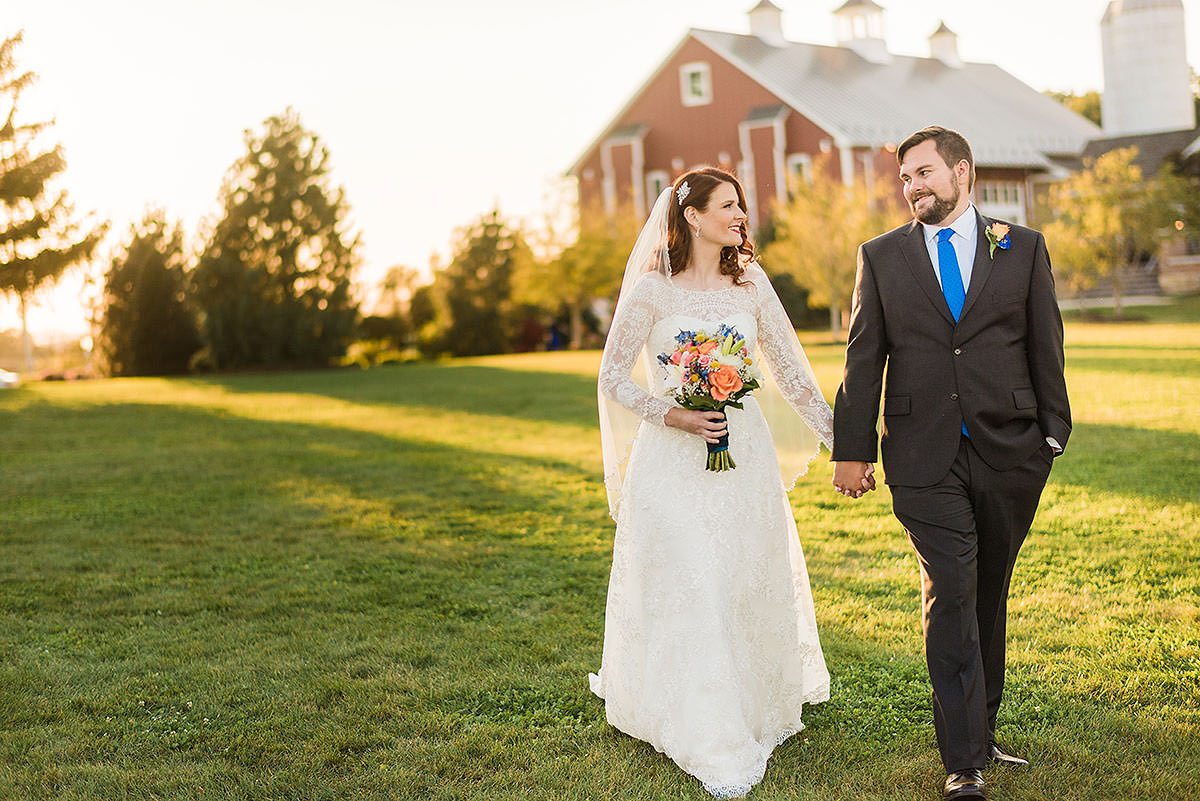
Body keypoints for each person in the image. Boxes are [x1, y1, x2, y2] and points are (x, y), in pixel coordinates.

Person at [832, 126, 1071, 801]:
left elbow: (1045, 340)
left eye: (925, 172)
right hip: (921, 455)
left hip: (1012, 449)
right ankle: (963, 759)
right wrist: (852, 449)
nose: (913, 187)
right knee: (953, 589)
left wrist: (1053, 433)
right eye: (906, 177)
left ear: (961, 172)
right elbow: (862, 357)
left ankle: (982, 727)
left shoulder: (1021, 246)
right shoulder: (880, 257)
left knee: (987, 587)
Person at [592, 167, 839, 798]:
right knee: (691, 579)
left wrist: (846, 442)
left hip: (743, 457)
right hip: (671, 460)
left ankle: (749, 698)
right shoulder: (650, 290)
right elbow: (614, 377)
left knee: (739, 575)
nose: (740, 215)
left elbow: (790, 370)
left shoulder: (751, 283)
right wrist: (672, 413)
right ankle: (701, 717)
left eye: (741, 206)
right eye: (728, 205)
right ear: (692, 216)